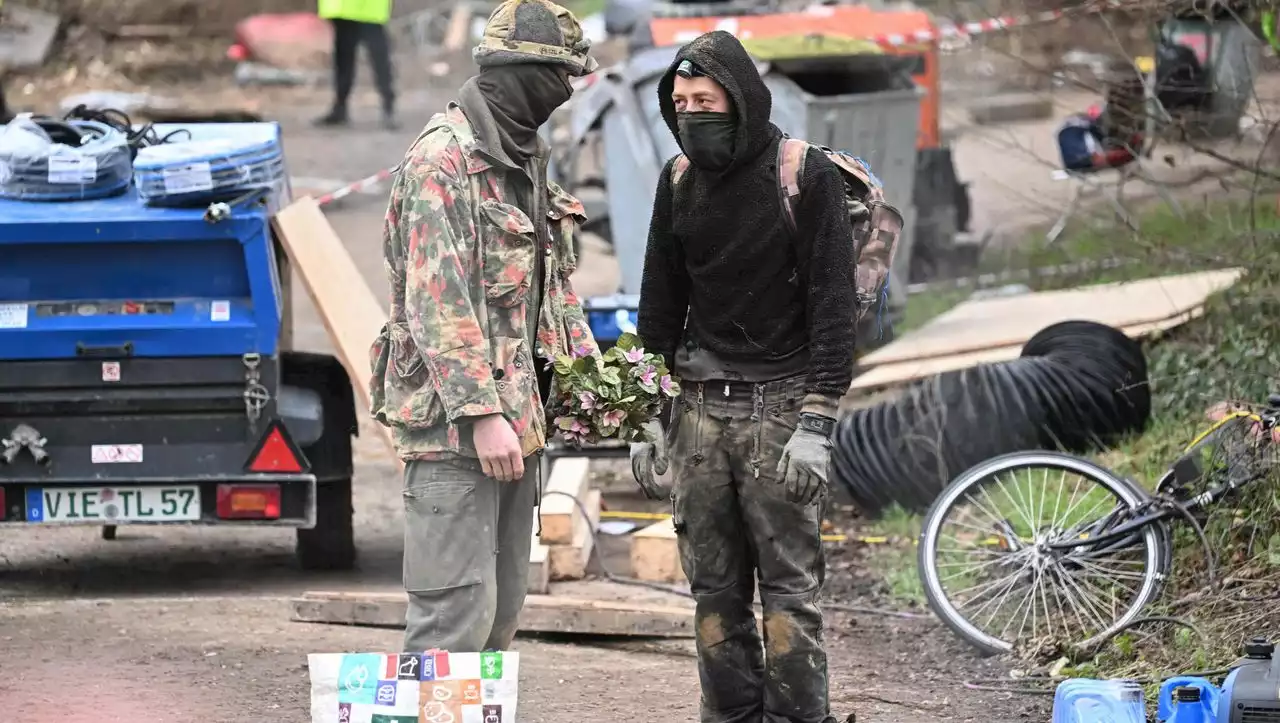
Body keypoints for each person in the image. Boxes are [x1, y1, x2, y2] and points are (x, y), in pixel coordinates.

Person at [631, 30, 857, 723]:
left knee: (789, 596)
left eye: (706, 99)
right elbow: (660, 306)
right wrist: (648, 411)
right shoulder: (678, 181)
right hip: (699, 417)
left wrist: (818, 420)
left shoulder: (803, 174)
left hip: (782, 412)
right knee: (714, 595)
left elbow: (833, 308)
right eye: (681, 101)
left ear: (742, 99)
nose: (693, 112)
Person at [368, 0, 599, 654]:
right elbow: (436, 302)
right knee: (452, 623)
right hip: (454, 431)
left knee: (498, 616)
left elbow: (546, 288)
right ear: (519, 71)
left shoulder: (525, 153)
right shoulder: (444, 161)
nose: (567, 91)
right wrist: (480, 413)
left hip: (515, 424)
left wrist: (592, 391)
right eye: (560, 76)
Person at [315, 0, 398, 129]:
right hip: (345, 8)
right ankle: (340, 107)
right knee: (344, 58)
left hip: (365, 8)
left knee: (376, 58)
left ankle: (388, 107)